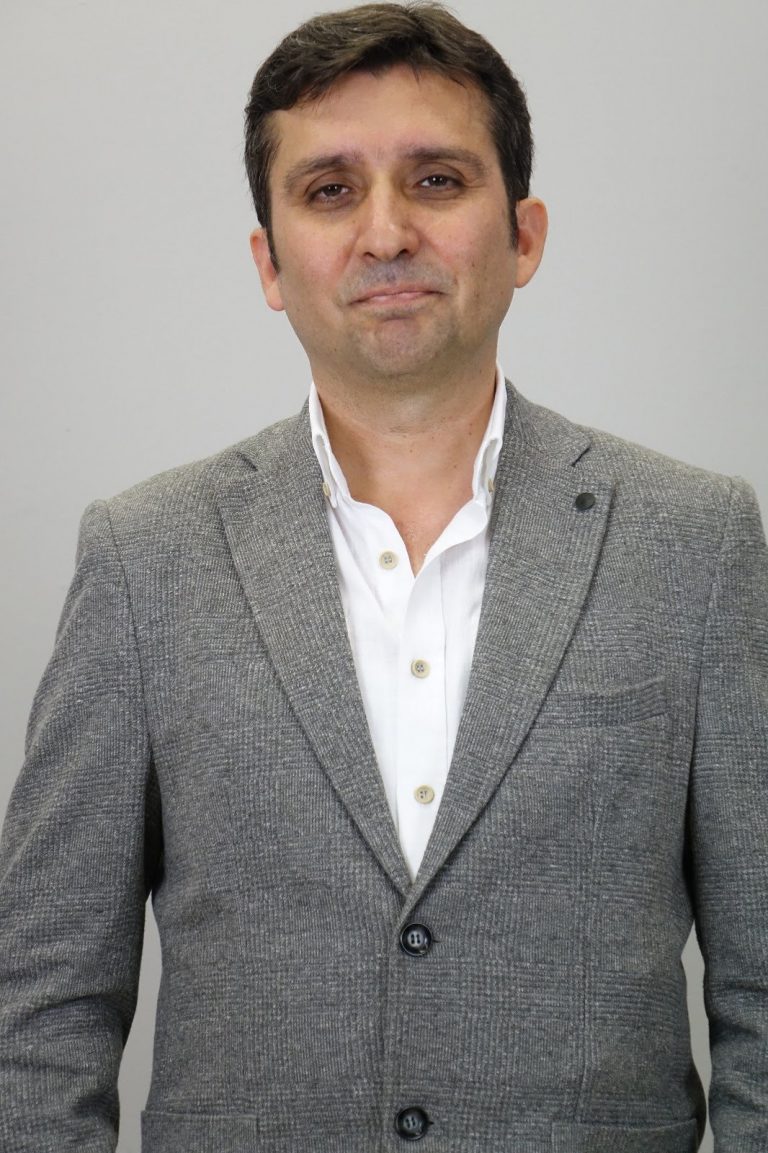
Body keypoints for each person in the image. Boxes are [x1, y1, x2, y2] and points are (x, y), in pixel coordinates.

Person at [1, 2, 766, 1150]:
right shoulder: (143, 558)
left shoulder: (694, 544)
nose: (386, 231)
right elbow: (43, 1004)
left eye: (437, 180)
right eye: (329, 191)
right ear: (269, 263)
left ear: (525, 235)